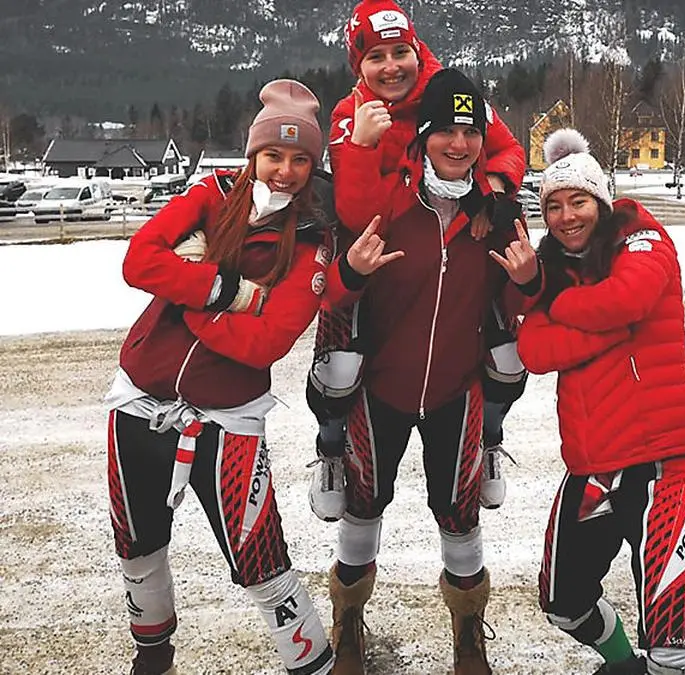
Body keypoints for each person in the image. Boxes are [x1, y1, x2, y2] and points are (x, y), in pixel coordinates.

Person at [106, 80, 336, 675]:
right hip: (138, 402)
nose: (284, 171)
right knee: (138, 546)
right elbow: (138, 262)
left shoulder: (313, 239)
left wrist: (185, 292)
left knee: (261, 560)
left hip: (228, 418)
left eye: (300, 159)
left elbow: (267, 342)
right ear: (252, 153)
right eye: (273, 155)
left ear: (313, 165)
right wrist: (226, 290)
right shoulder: (211, 194)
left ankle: (311, 663)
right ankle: (152, 658)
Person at [319, 68, 541, 675]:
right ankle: (347, 625)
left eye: (469, 132)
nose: (458, 144)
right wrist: (353, 273)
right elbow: (333, 299)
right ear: (422, 138)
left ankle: (468, 634)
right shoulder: (388, 202)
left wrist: (528, 282)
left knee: (460, 514)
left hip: (456, 390)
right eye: (444, 130)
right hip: (380, 389)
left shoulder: (497, 211)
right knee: (363, 508)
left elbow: (519, 301)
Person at [307, 0, 529, 522]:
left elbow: (508, 150)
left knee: (506, 348)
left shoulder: (450, 91)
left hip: (456, 232)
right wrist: (361, 145)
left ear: (417, 49)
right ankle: (332, 445)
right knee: (340, 362)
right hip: (383, 244)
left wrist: (491, 190)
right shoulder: (350, 114)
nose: (391, 67)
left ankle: (490, 433)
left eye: (401, 51)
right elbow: (355, 213)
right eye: (376, 56)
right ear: (357, 65)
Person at [516, 129, 685, 675]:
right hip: (594, 466)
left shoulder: (642, 239)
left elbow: (628, 298)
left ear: (600, 201)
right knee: (564, 604)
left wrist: (552, 299)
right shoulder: (551, 266)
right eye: (552, 206)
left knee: (674, 638)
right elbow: (533, 349)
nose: (565, 216)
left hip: (664, 463)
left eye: (577, 201)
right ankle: (623, 665)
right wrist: (610, 325)